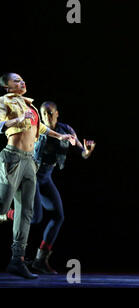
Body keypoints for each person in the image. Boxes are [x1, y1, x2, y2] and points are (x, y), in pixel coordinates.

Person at [0, 73, 75, 279]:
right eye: (16, 80)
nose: (21, 82)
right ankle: (5, 213)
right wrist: (18, 119)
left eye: (22, 79)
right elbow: (1, 124)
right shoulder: (5, 103)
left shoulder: (31, 107)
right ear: (7, 87)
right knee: (8, 208)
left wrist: (62, 136)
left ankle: (20, 260)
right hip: (15, 159)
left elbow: (41, 128)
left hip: (33, 167)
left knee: (29, 214)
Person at [30, 101, 95, 274]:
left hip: (45, 179)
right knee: (36, 217)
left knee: (58, 216)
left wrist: (87, 152)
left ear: (57, 113)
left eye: (50, 113)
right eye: (44, 114)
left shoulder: (66, 129)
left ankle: (40, 261)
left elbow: (82, 152)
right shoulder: (37, 129)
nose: (47, 117)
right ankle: (6, 214)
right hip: (31, 177)